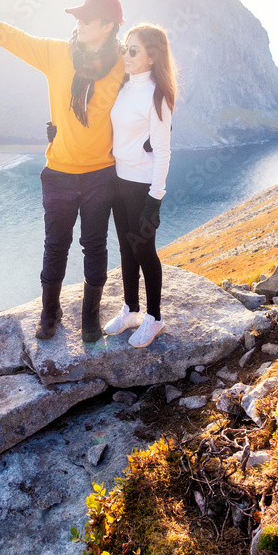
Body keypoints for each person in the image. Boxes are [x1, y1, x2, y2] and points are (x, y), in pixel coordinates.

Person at [0, 0, 125, 343]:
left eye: (87, 18)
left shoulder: (124, 64)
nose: (78, 22)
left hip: (101, 175)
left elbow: (150, 90)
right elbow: (9, 35)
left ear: (108, 26)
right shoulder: (56, 53)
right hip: (59, 174)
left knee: (94, 246)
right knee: (55, 246)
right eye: (77, 16)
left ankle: (90, 317)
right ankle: (51, 313)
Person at [101, 24, 176, 348]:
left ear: (151, 57)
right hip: (118, 180)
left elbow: (162, 150)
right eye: (124, 49)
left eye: (134, 50)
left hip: (142, 186)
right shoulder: (122, 85)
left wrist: (154, 200)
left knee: (144, 251)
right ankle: (131, 309)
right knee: (125, 249)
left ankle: (154, 318)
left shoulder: (157, 95)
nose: (126, 55)